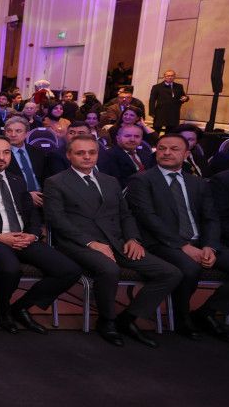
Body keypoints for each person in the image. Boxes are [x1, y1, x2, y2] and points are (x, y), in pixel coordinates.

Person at [43, 135, 182, 347]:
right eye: (80, 153)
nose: (87, 157)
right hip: (78, 244)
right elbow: (57, 220)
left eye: (92, 152)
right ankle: (107, 321)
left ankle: (128, 318)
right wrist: (91, 243)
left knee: (170, 273)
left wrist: (133, 238)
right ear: (69, 155)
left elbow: (125, 215)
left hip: (117, 242)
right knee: (109, 269)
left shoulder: (110, 181)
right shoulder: (55, 182)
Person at [0, 137, 81, 333]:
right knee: (10, 268)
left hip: (23, 238)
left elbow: (31, 214)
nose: (1, 157)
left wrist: (33, 235)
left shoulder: (17, 180)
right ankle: (3, 310)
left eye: (6, 152)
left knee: (69, 270)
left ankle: (20, 307)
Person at [125, 135, 229, 342]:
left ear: (187, 154)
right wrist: (183, 246)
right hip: (162, 243)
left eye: (174, 149)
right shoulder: (142, 180)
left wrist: (210, 246)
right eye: (162, 148)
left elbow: (210, 218)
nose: (166, 153)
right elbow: (148, 218)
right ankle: (182, 317)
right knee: (190, 268)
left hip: (200, 242)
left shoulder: (197, 183)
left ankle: (206, 313)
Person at [2, 116, 48, 205]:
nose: (13, 135)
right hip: (18, 199)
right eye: (9, 131)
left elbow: (46, 177)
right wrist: (27, 196)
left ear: (27, 134)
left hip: (43, 197)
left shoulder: (37, 152)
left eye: (18, 131)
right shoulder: (1, 155)